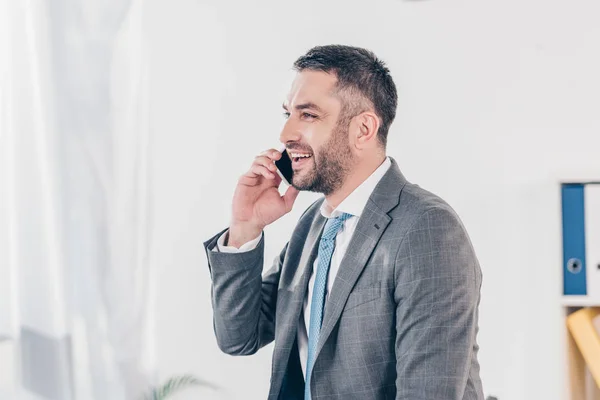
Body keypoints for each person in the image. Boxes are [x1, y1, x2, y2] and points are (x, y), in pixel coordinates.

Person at [203, 45, 484, 400]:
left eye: (307, 115)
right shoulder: (314, 225)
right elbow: (238, 337)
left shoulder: (427, 229)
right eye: (288, 113)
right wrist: (245, 227)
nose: (285, 132)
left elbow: (429, 392)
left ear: (363, 129)